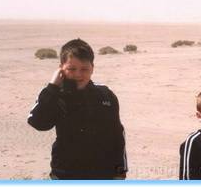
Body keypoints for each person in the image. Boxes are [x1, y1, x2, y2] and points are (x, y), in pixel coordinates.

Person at [27, 38, 128, 180]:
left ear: (92, 67)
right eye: (72, 69)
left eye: (84, 69)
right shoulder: (54, 95)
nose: (78, 74)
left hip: (103, 174)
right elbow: (37, 122)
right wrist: (52, 87)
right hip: (65, 174)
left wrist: (120, 170)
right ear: (61, 68)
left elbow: (117, 134)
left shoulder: (105, 95)